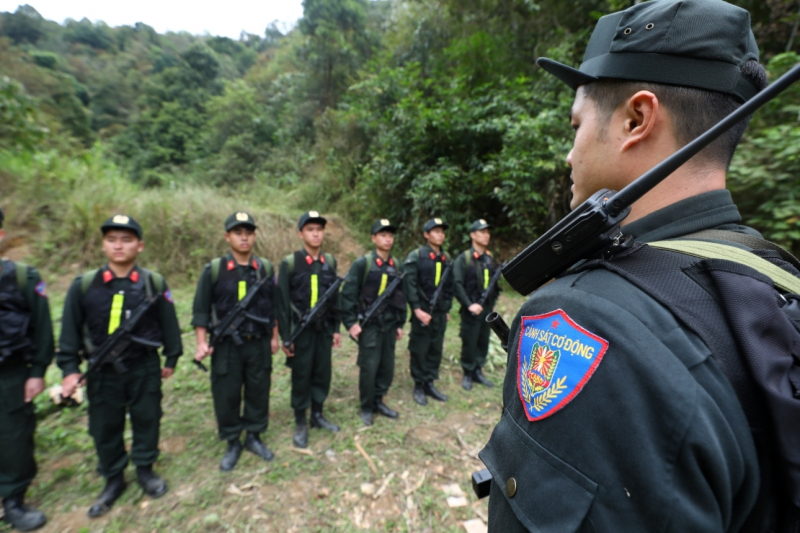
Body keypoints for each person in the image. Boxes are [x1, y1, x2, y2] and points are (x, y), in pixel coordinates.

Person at [479, 1, 777, 531]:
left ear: (635, 119)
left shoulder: (587, 321)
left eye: (576, 126)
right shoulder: (772, 273)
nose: (568, 156)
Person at [58, 215, 183, 518]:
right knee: (104, 425)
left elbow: (169, 323)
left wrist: (171, 357)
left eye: (126, 239)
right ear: (103, 244)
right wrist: (69, 369)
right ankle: (113, 478)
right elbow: (70, 332)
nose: (119, 245)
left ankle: (145, 469)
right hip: (101, 371)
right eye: (112, 239)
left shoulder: (153, 282)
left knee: (147, 417)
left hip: (143, 366)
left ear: (139, 246)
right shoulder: (84, 285)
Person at [192, 212, 279, 471]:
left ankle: (254, 435)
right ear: (227, 236)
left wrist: (274, 337)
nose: (244, 237)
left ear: (254, 236)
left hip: (259, 342)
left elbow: (273, 306)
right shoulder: (215, 269)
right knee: (226, 393)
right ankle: (232, 440)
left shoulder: (265, 268)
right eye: (238, 233)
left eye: (248, 233)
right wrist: (200, 342)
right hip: (227, 345)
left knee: (258, 388)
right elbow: (201, 309)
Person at [0, 208, 53, 532]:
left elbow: (43, 329)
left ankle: (12, 499)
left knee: (14, 438)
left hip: (11, 373)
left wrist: (37, 372)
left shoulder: (22, 277)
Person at [277, 211, 341, 448]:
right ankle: (300, 421)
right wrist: (286, 336)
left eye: (319, 229)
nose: (316, 234)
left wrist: (336, 328)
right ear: (301, 233)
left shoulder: (329, 262)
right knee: (301, 373)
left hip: (323, 330)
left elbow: (335, 299)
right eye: (310, 229)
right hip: (300, 332)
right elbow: (281, 302)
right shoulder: (291, 263)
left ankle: (317, 414)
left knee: (322, 371)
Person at [339, 219, 406, 426]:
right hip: (369, 326)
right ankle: (367, 406)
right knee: (369, 366)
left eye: (390, 235)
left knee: (387, 366)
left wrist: (400, 323)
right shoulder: (363, 263)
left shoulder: (396, 265)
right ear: (373, 238)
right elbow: (348, 295)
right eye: (382, 234)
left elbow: (400, 296)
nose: (387, 239)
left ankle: (379, 400)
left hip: (389, 324)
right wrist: (351, 323)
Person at [403, 218, 453, 406]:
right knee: (419, 347)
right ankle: (419, 384)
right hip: (422, 312)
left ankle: (430, 382)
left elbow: (450, 285)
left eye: (442, 231)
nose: (440, 234)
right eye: (435, 231)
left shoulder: (446, 257)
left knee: (435, 347)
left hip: (439, 313)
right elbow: (410, 284)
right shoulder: (416, 256)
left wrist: (446, 308)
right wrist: (416, 308)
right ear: (426, 234)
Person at [453, 219, 498, 391]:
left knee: (483, 339)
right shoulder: (463, 258)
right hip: (471, 309)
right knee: (469, 340)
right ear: (472, 235)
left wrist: (492, 305)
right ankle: (468, 372)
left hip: (486, 308)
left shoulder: (489, 257)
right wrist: (469, 305)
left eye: (487, 232)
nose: (486, 235)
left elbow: (493, 284)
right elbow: (457, 284)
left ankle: (478, 370)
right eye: (482, 232)